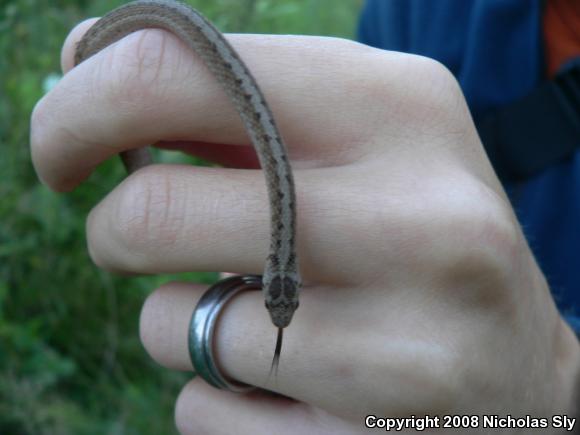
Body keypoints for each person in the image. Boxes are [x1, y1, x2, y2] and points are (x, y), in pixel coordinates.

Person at [30, 1, 579, 434]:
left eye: (277, 296)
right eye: (279, 297)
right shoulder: (421, 8)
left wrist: (561, 398)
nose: (279, 307)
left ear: (276, 272)